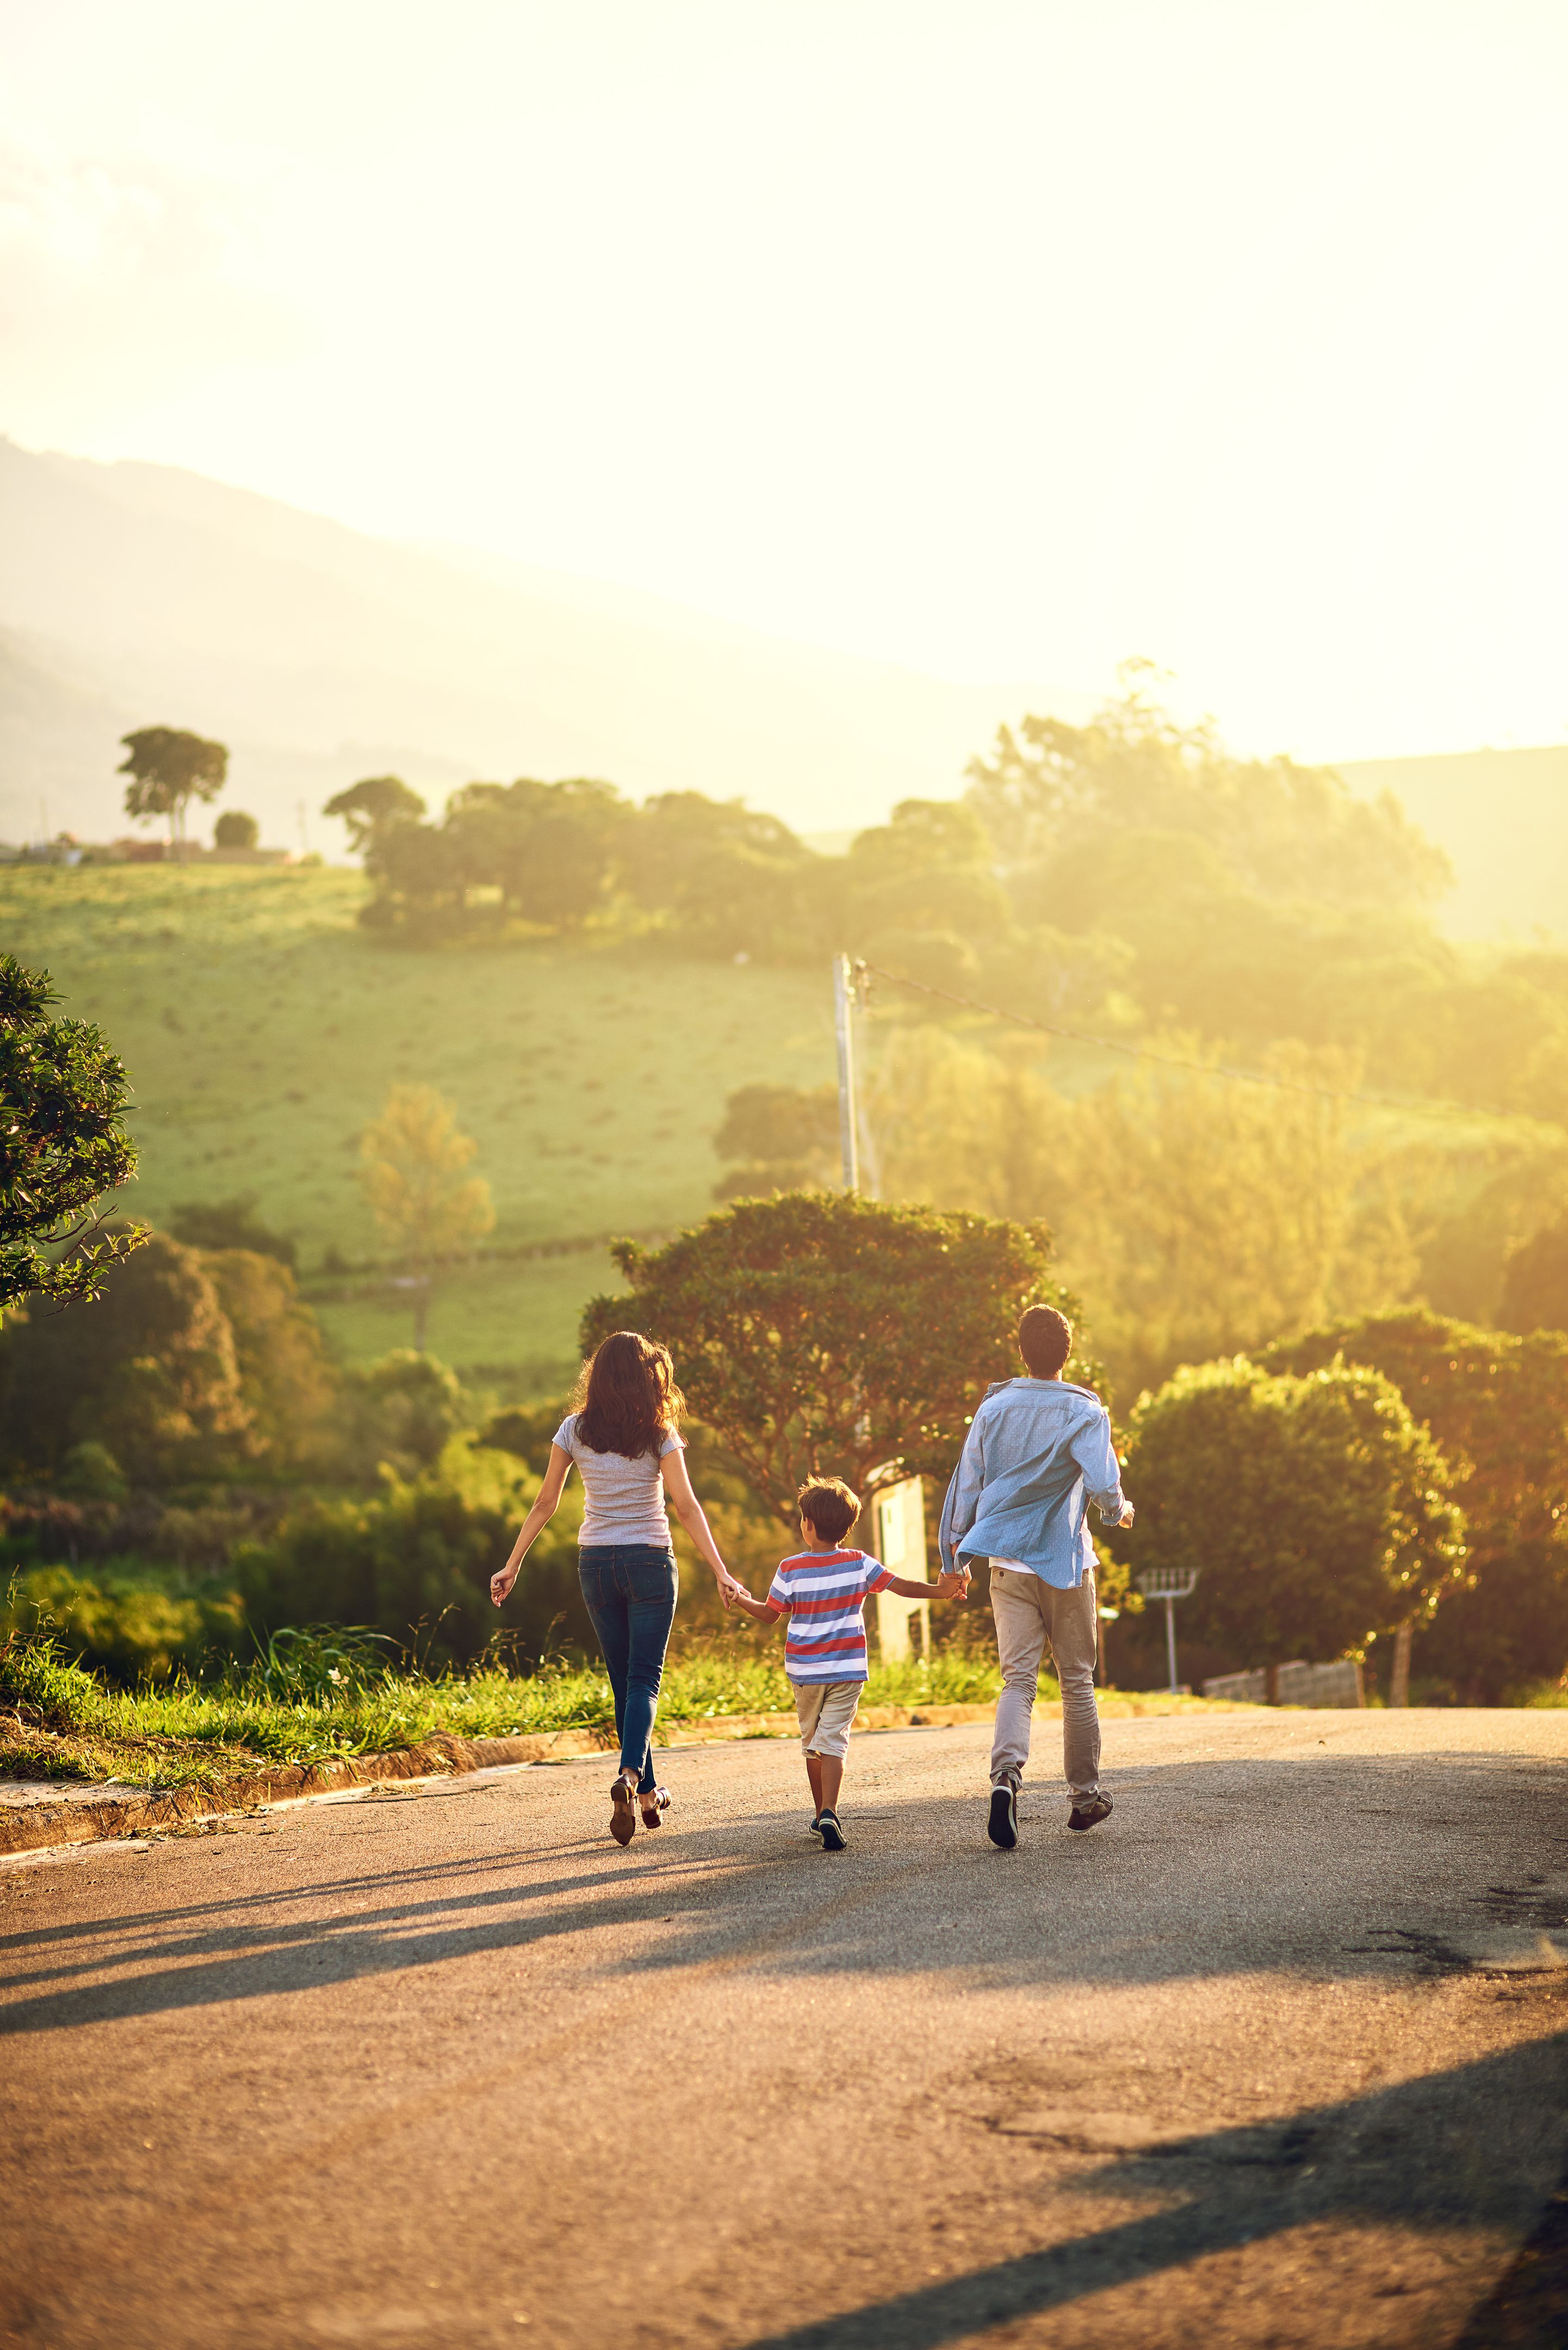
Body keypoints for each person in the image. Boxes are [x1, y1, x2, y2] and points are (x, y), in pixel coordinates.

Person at [491, 1329, 744, 1847]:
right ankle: (629, 1779)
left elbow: (545, 1503)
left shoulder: (573, 1429)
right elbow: (687, 1506)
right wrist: (721, 1571)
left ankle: (647, 1795)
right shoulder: (659, 1431)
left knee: (623, 1681)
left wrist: (512, 1564)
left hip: (596, 1565)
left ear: (598, 1376)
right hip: (650, 1561)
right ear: (647, 1377)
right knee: (643, 1681)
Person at [938, 1304, 1133, 1851]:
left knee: (1018, 1682)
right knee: (1076, 1681)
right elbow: (1102, 1481)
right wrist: (1119, 1511)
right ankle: (1085, 1797)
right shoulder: (1085, 1411)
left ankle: (1005, 1780)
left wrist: (955, 1562)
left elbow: (967, 1485)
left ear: (1020, 1349)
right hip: (1066, 1564)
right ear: (1067, 1353)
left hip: (1005, 1562)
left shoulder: (994, 1408)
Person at [729, 1475, 960, 1852]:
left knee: (812, 1743)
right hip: (847, 1671)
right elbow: (901, 1587)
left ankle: (820, 1810)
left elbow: (770, 1615)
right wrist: (939, 1591)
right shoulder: (858, 1563)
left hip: (805, 1673)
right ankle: (829, 1812)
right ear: (847, 1526)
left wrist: (739, 1597)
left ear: (807, 1524)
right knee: (834, 1739)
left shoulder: (790, 1568)